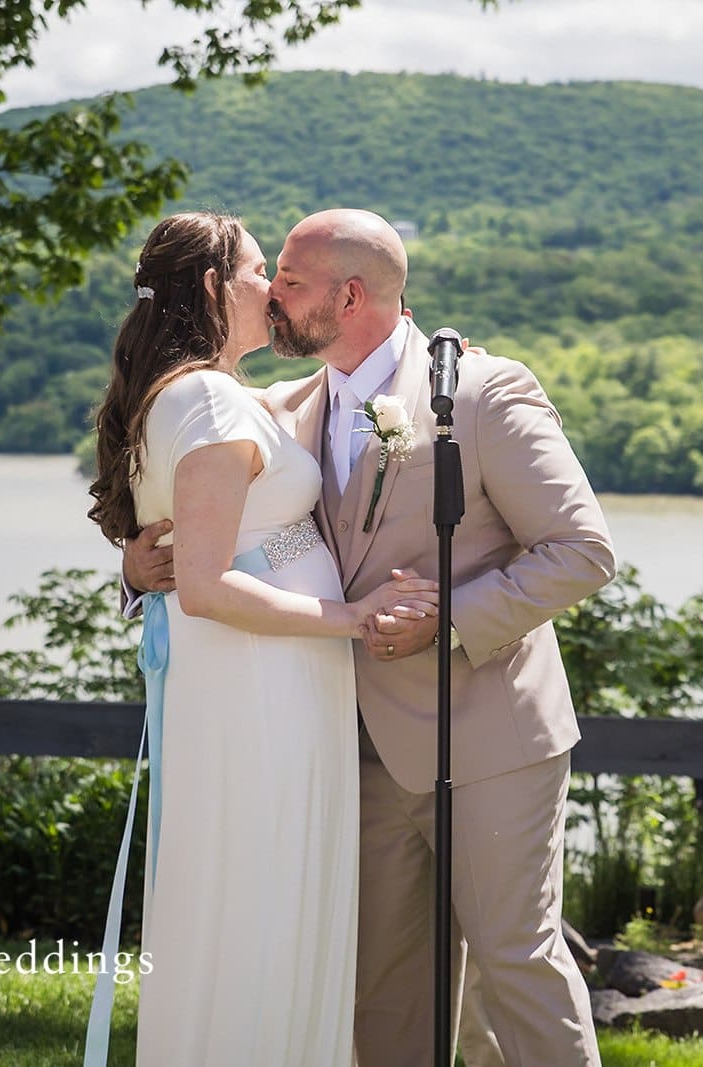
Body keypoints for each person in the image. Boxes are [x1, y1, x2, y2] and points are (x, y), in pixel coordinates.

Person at [124, 208, 615, 1066]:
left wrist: (445, 620)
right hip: (351, 747)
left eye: (291, 280)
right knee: (385, 988)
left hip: (487, 736)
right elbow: (208, 520)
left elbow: (582, 551)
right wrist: (136, 569)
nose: (273, 292)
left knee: (516, 965)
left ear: (350, 297)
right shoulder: (279, 409)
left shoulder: (481, 394)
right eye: (269, 274)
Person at [84, 210, 439, 1066]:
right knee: (265, 890)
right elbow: (206, 583)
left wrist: (136, 569)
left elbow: (178, 551)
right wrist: (352, 616)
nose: (272, 288)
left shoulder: (210, 392)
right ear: (213, 287)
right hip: (261, 687)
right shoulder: (205, 399)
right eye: (256, 272)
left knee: (257, 886)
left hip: (263, 678)